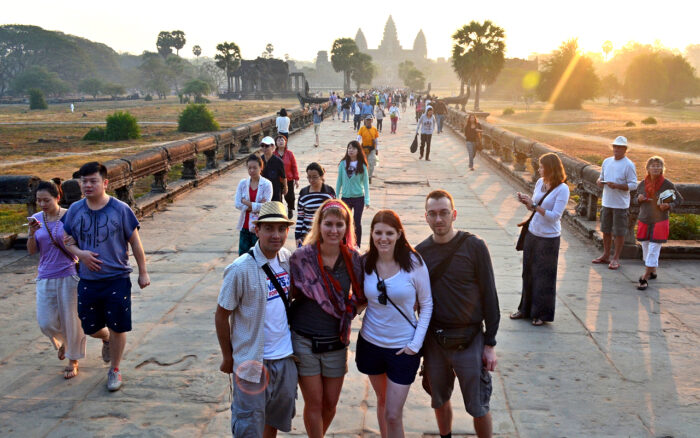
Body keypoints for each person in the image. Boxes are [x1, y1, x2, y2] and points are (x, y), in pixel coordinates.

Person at [416, 190, 500, 438]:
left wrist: (490, 343)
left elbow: (490, 296)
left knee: (478, 405)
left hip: (470, 336)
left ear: (454, 215)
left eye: (443, 213)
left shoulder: (474, 246)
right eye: (433, 214)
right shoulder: (421, 253)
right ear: (426, 217)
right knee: (438, 398)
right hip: (436, 339)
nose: (438, 219)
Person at [63, 161, 150, 391]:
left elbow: (135, 242)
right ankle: (106, 339)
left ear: (105, 183)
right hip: (88, 280)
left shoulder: (120, 209)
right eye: (84, 181)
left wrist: (143, 272)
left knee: (118, 326)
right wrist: (82, 254)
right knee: (89, 325)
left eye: (93, 181)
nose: (87, 185)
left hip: (116, 277)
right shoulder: (75, 210)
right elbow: (67, 241)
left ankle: (115, 369)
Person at [215, 201, 297, 438]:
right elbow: (222, 315)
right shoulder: (240, 269)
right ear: (256, 229)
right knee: (249, 426)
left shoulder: (287, 260)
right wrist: (228, 356)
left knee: (272, 421)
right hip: (251, 362)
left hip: (284, 358)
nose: (276, 235)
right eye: (269, 228)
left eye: (281, 229)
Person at [289, 199, 366, 438]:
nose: (334, 230)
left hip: (336, 340)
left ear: (346, 228)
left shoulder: (354, 260)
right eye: (328, 224)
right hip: (304, 339)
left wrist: (347, 310)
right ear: (319, 225)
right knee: (314, 403)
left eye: (339, 225)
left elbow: (363, 295)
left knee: (330, 403)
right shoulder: (301, 258)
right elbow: (288, 296)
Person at [357, 210, 433, 437]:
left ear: (399, 234)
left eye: (389, 233)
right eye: (378, 232)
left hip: (403, 348)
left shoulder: (413, 262)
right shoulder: (365, 262)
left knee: (393, 413)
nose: (383, 238)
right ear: (371, 234)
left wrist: (415, 345)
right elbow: (359, 299)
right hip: (371, 343)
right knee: (381, 401)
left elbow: (427, 304)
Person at [27, 179, 91, 380]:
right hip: (45, 276)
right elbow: (31, 251)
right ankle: (65, 342)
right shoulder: (36, 219)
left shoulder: (70, 217)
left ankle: (73, 359)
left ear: (57, 197)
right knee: (46, 322)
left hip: (69, 274)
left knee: (72, 320)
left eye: (46, 200)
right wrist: (31, 233)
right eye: (39, 201)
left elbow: (82, 242)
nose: (42, 205)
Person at [510, 153, 570, 326]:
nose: (539, 169)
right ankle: (525, 309)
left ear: (551, 168)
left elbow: (554, 216)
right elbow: (535, 207)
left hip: (548, 238)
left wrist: (535, 206)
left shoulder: (562, 189)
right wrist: (527, 203)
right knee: (527, 272)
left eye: (542, 166)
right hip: (533, 232)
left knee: (544, 276)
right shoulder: (539, 182)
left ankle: (541, 313)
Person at [634, 156, 683, 290]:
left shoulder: (667, 184)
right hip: (644, 218)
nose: (656, 168)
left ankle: (644, 277)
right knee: (645, 246)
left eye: (658, 166)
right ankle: (652, 271)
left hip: (660, 220)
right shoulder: (643, 184)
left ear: (662, 168)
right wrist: (638, 199)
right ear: (648, 168)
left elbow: (679, 200)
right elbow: (634, 198)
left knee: (654, 248)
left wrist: (668, 206)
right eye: (653, 165)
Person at [593, 136, 638, 270]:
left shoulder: (629, 165)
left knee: (619, 232)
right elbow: (600, 178)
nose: (617, 149)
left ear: (625, 149)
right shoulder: (607, 162)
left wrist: (618, 186)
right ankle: (606, 255)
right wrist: (600, 182)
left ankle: (616, 257)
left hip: (620, 204)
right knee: (606, 230)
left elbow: (633, 185)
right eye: (615, 147)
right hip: (607, 201)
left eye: (620, 147)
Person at [235, 154, 273, 255]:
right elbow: (237, 204)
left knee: (258, 256)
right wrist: (256, 205)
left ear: (261, 167)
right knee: (243, 256)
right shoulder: (243, 183)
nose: (252, 170)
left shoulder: (267, 184)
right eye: (249, 168)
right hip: (245, 225)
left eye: (254, 168)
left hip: (259, 226)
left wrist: (246, 203)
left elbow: (266, 206)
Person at [336, 141, 370, 247]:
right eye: (349, 148)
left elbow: (366, 183)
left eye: (353, 148)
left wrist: (367, 200)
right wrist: (336, 196)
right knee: (345, 222)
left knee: (356, 222)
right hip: (345, 197)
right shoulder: (342, 164)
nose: (350, 150)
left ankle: (357, 245)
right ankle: (345, 243)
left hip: (358, 197)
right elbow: (339, 181)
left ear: (358, 151)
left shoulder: (362, 165)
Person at [295, 162, 336, 247]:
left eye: (314, 177)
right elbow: (300, 217)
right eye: (309, 177)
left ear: (321, 176)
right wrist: (298, 236)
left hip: (325, 237)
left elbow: (334, 215)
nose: (311, 180)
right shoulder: (303, 194)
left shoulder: (329, 193)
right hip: (306, 237)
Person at [274, 134, 299, 219]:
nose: (280, 142)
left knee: (290, 197)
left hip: (289, 179)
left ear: (285, 142)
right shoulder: (273, 154)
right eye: (278, 140)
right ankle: (280, 212)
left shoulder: (289, 154)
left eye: (282, 140)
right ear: (275, 143)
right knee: (278, 197)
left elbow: (294, 166)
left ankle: (290, 209)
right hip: (277, 180)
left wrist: (296, 179)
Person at [260, 136, 287, 203]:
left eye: (266, 146)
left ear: (272, 147)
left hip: (275, 189)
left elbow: (283, 176)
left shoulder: (278, 161)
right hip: (263, 189)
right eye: (262, 145)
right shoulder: (260, 160)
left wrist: (285, 187)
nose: (264, 148)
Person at [357, 115, 379, 183]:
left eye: (370, 120)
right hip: (364, 148)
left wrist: (377, 149)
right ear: (365, 121)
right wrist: (356, 145)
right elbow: (358, 138)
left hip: (372, 149)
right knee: (364, 163)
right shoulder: (362, 129)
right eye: (367, 120)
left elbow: (376, 140)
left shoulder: (374, 129)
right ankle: (364, 176)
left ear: (372, 121)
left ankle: (369, 176)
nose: (368, 121)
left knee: (371, 162)